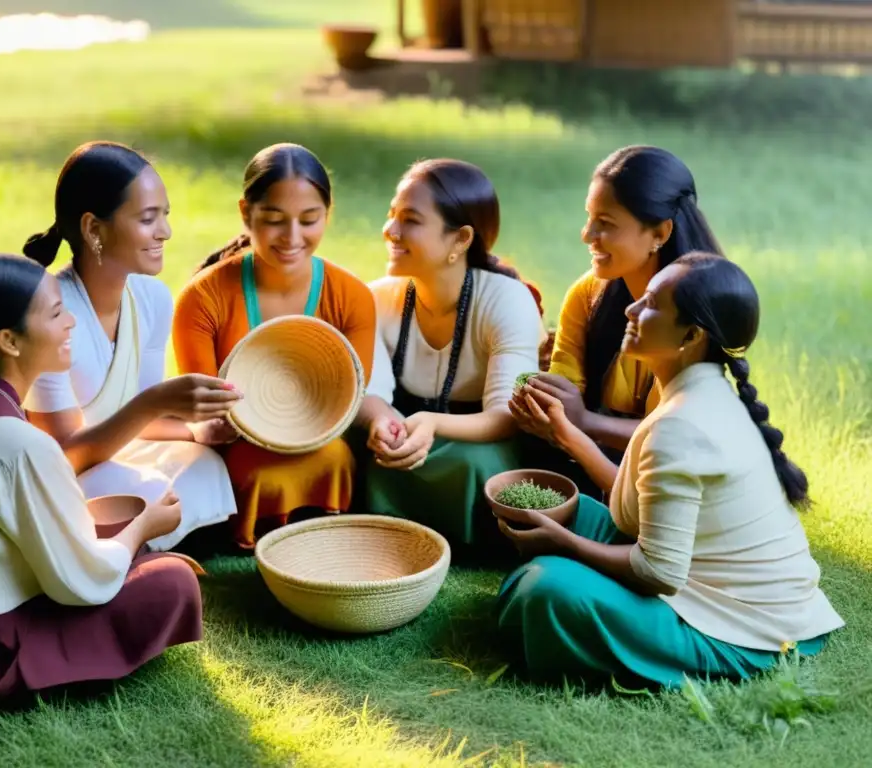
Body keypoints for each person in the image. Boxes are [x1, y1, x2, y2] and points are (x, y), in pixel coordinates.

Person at [496, 253, 844, 689]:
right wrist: (568, 436)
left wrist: (563, 543)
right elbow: (642, 500)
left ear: (691, 335)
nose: (631, 309)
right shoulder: (699, 391)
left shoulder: (681, 423)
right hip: (701, 582)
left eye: (651, 304)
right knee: (575, 509)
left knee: (547, 591)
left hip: (743, 629)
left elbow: (657, 572)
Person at [0, 253, 206, 700]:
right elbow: (81, 584)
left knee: (124, 541)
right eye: (55, 313)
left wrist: (120, 530)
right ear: (10, 341)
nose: (70, 322)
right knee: (170, 582)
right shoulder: (18, 443)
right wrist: (144, 524)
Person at [22, 141, 239, 552]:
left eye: (165, 217)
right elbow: (64, 456)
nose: (165, 232)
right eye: (147, 219)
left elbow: (141, 420)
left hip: (119, 455)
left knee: (204, 467)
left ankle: (141, 537)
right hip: (64, 474)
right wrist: (155, 402)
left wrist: (196, 430)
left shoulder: (152, 299)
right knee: (150, 491)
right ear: (93, 229)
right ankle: (137, 543)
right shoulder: (51, 314)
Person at [171, 143, 377, 550]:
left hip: (320, 440)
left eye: (309, 219)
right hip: (233, 445)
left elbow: (349, 395)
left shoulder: (351, 296)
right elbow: (204, 406)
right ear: (246, 213)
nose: (292, 237)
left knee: (335, 458)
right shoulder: (203, 297)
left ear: (328, 215)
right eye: (274, 219)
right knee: (250, 471)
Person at [353, 158, 547, 552]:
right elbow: (365, 388)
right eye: (392, 215)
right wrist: (379, 422)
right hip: (404, 435)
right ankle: (383, 531)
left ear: (460, 240)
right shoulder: (374, 298)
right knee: (360, 446)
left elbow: (505, 416)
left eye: (410, 219)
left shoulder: (507, 300)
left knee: (474, 463)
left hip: (479, 443)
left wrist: (429, 423)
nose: (390, 230)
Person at [511, 145, 723, 499]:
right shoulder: (587, 294)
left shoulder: (697, 314)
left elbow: (674, 433)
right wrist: (546, 403)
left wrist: (585, 422)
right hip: (585, 450)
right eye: (588, 218)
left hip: (665, 466)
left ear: (660, 233)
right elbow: (567, 391)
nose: (586, 234)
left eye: (605, 224)